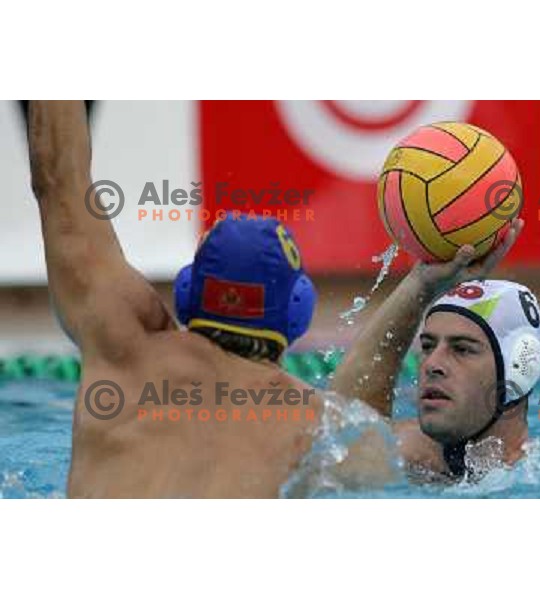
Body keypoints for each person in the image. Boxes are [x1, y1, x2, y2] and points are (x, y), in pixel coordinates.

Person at [27, 100, 326, 498]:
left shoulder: (123, 344)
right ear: (298, 310)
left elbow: (57, 180)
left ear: (188, 292)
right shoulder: (314, 423)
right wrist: (420, 284)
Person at [331, 221, 540, 481]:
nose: (432, 363)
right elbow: (344, 423)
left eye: (462, 349)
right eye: (427, 346)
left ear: (519, 368)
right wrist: (420, 285)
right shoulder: (407, 455)